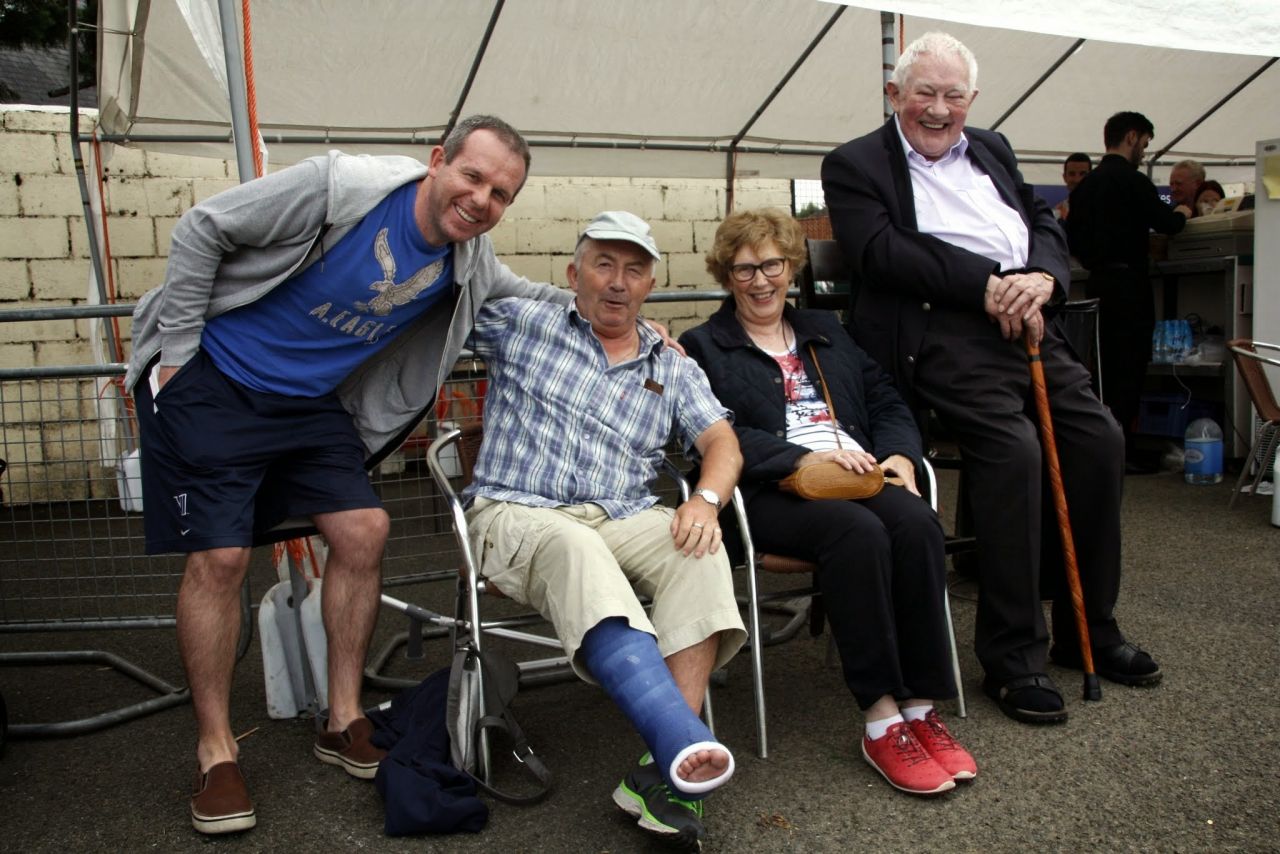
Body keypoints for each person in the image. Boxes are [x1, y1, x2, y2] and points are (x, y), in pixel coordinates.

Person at [125, 115, 583, 835]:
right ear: (438, 161)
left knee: (366, 529)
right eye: (473, 176)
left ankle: (343, 719)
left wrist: (619, 316)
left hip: (307, 406)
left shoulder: (470, 260)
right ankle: (217, 750)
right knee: (219, 557)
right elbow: (202, 228)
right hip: (218, 379)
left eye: (501, 194)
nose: (481, 200)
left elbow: (526, 296)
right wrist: (179, 352)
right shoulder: (339, 187)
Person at [822, 32, 1162, 728]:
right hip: (938, 335)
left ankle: (1087, 630)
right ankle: (1014, 658)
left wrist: (1039, 279)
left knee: (1098, 440)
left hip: (1030, 324)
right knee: (1014, 451)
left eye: (954, 96)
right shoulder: (855, 163)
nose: (940, 109)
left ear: (971, 101)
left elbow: (1044, 221)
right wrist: (988, 285)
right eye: (925, 93)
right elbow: (879, 251)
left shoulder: (996, 148)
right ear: (895, 95)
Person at [461, 211, 747, 848]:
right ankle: (679, 739)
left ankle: (662, 770)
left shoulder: (670, 363)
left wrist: (703, 500)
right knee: (575, 545)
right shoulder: (519, 324)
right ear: (573, 274)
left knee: (698, 550)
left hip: (619, 512)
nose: (618, 282)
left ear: (651, 283)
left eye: (635, 269)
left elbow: (721, 440)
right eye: (604, 264)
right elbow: (430, 312)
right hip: (517, 511)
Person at [679, 208, 976, 797]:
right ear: (725, 275)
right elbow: (714, 430)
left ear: (791, 266)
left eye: (772, 265)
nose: (761, 280)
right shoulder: (703, 345)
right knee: (856, 534)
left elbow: (885, 396)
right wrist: (801, 459)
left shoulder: (827, 328)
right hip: (767, 492)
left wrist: (899, 454)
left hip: (859, 477)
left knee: (917, 524)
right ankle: (880, 718)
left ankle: (919, 707)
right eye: (744, 269)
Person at [1066, 111, 1190, 470]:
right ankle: (1125, 450)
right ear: (1133, 137)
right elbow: (1167, 223)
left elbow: (1072, 235)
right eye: (1145, 145)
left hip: (1098, 283)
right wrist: (1181, 211)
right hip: (1129, 285)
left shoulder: (1087, 186)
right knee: (1130, 368)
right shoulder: (1133, 182)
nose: (1144, 153)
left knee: (1101, 368)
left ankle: (1102, 447)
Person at [1053, 152, 1092, 221]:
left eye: (1083, 174)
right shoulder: (1056, 215)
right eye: (1072, 174)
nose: (1077, 180)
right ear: (1064, 177)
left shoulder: (1101, 211)